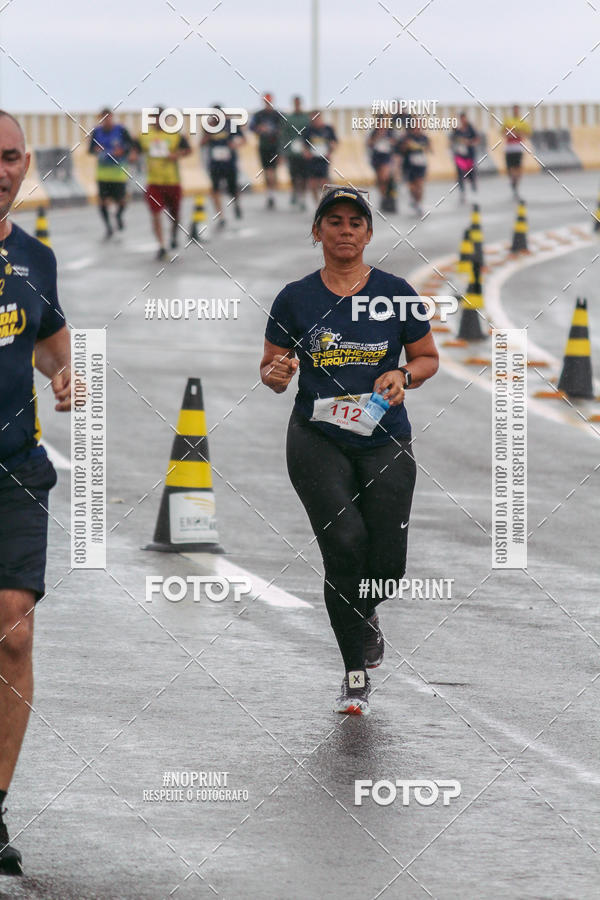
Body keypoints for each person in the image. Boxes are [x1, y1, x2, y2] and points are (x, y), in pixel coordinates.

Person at [260, 186, 439, 715]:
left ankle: (365, 614)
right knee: (344, 544)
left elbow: (428, 358)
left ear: (368, 232)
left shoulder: (396, 291)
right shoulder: (296, 297)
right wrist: (279, 372)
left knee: (386, 562)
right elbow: (271, 370)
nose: (344, 230)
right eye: (333, 221)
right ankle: (354, 673)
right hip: (317, 438)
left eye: (355, 222)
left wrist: (403, 373)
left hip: (384, 438)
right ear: (316, 231)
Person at [0, 111, 71, 875]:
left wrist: (63, 372)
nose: (2, 170)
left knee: (12, 630)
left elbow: (48, 336)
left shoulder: (34, 258)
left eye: (12, 157)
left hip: (14, 465)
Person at [132, 107, 192, 259]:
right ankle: (161, 245)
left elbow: (188, 150)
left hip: (172, 181)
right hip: (154, 182)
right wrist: (132, 155)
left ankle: (173, 236)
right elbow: (135, 150)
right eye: (155, 118)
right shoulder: (145, 135)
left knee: (175, 215)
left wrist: (176, 154)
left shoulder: (175, 135)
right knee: (155, 213)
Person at [88, 108, 134, 239]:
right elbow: (90, 150)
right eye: (103, 118)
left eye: (108, 118)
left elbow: (130, 145)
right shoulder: (96, 132)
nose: (106, 121)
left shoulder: (121, 130)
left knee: (122, 200)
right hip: (103, 173)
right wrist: (96, 150)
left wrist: (122, 151)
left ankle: (119, 216)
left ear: (112, 117)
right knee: (102, 202)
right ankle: (108, 226)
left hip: (118, 172)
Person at [201, 104, 245, 228]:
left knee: (233, 188)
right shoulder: (208, 126)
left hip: (229, 162)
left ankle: (236, 204)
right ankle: (221, 216)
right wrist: (208, 134)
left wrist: (235, 144)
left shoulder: (231, 124)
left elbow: (243, 139)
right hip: (215, 163)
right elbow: (202, 143)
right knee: (214, 189)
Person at [250, 93, 282, 209]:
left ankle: (272, 193)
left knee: (272, 171)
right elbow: (252, 127)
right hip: (264, 146)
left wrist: (275, 132)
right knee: (266, 171)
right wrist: (260, 129)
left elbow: (283, 129)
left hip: (274, 146)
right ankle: (270, 194)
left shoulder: (277, 115)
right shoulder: (259, 115)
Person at [282, 96, 310, 210]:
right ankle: (295, 192)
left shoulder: (306, 118)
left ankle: (302, 197)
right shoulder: (289, 118)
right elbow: (284, 135)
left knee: (304, 176)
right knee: (294, 175)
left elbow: (309, 134)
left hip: (303, 152)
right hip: (292, 152)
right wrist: (283, 151)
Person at [304, 111, 338, 202]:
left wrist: (331, 151)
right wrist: (306, 153)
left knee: (324, 182)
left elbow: (335, 142)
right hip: (312, 160)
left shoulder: (328, 129)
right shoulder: (308, 130)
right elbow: (304, 145)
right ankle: (317, 203)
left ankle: (326, 200)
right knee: (313, 183)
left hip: (324, 159)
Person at [398, 124, 431, 216]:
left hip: (420, 164)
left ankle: (419, 203)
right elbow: (401, 150)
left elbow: (429, 148)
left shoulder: (424, 137)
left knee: (420, 185)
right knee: (412, 187)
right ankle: (414, 199)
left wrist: (422, 147)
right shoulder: (406, 137)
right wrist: (406, 145)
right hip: (409, 165)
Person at [501, 104, 532, 199]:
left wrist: (518, 133)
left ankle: (516, 185)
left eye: (517, 110)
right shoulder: (508, 121)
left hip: (518, 147)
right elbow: (502, 132)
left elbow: (528, 133)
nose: (515, 111)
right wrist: (509, 133)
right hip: (509, 147)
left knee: (518, 168)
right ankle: (513, 182)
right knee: (509, 168)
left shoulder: (522, 122)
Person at [367, 125, 397, 212]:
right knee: (380, 179)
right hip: (377, 158)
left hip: (386, 158)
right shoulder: (374, 132)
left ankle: (388, 197)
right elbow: (369, 143)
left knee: (385, 177)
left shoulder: (390, 132)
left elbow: (395, 143)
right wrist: (378, 136)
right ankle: (383, 197)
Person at [450, 112, 479, 202]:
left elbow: (477, 139)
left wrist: (469, 142)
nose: (463, 121)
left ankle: (473, 187)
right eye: (461, 119)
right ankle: (462, 192)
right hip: (460, 156)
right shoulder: (457, 130)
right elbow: (452, 140)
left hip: (469, 155)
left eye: (464, 118)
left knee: (471, 173)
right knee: (460, 174)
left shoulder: (471, 128)